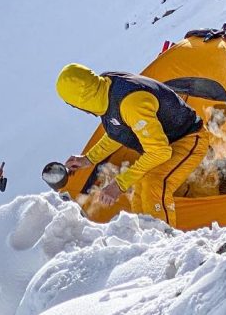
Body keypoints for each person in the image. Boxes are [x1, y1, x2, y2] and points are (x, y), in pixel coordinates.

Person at [57, 64, 208, 225]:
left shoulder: (130, 103)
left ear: (79, 102)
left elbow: (159, 152)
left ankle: (164, 242)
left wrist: (118, 185)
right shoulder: (104, 88)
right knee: (139, 188)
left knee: (153, 184)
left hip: (189, 137)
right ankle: (145, 238)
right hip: (165, 141)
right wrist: (89, 159)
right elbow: (119, 131)